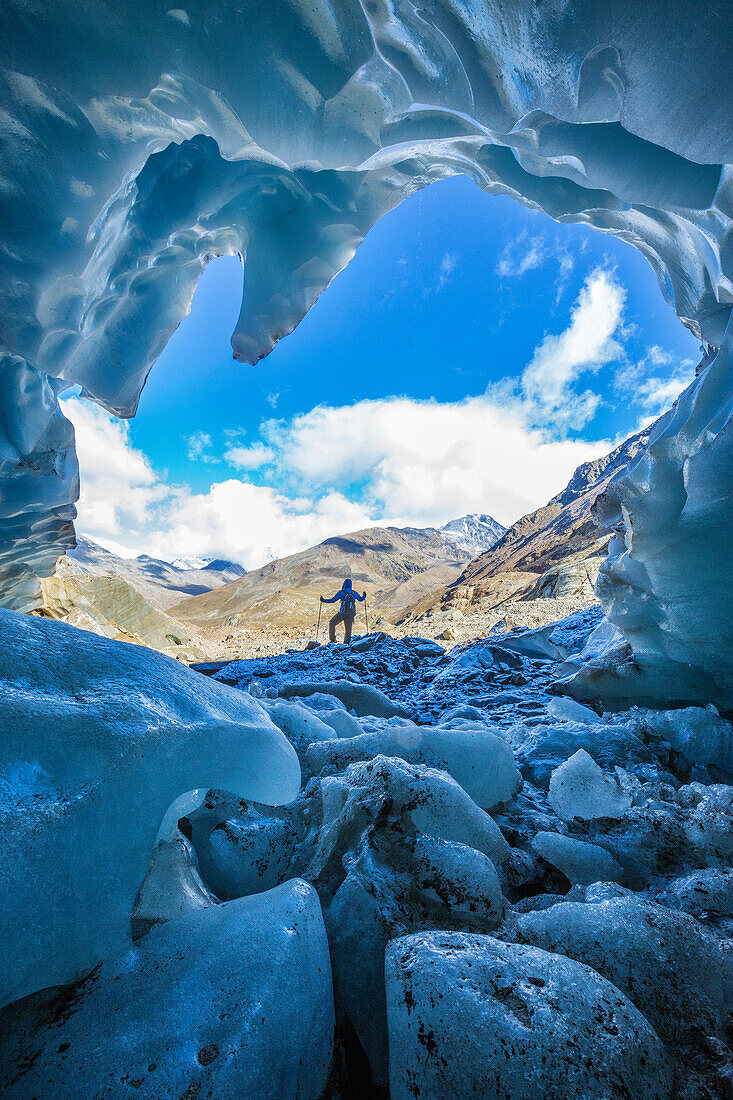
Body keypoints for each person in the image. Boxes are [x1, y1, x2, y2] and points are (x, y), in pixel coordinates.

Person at [320, 578, 366, 643]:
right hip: (351, 614)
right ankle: (346, 644)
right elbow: (360, 599)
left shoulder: (341, 592)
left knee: (332, 623)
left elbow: (333, 600)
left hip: (342, 613)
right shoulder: (354, 592)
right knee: (348, 630)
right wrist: (364, 595)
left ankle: (333, 640)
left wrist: (323, 600)